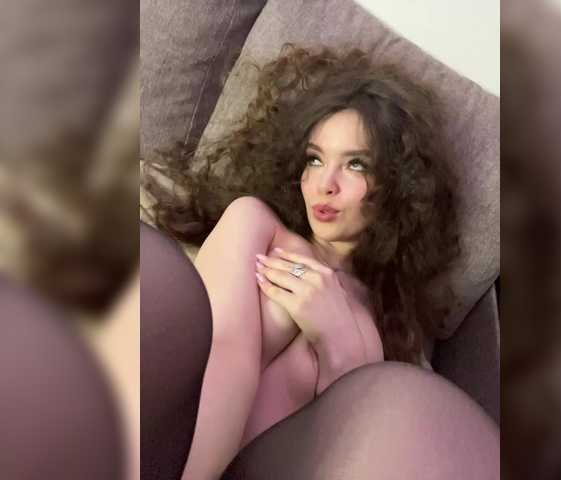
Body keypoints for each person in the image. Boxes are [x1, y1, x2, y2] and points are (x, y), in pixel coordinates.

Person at [143, 43, 498, 480]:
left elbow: (345, 451)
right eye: (315, 159)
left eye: (356, 165)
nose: (324, 183)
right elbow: (223, 350)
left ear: (397, 185)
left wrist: (339, 345)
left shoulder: (391, 339)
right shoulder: (256, 224)